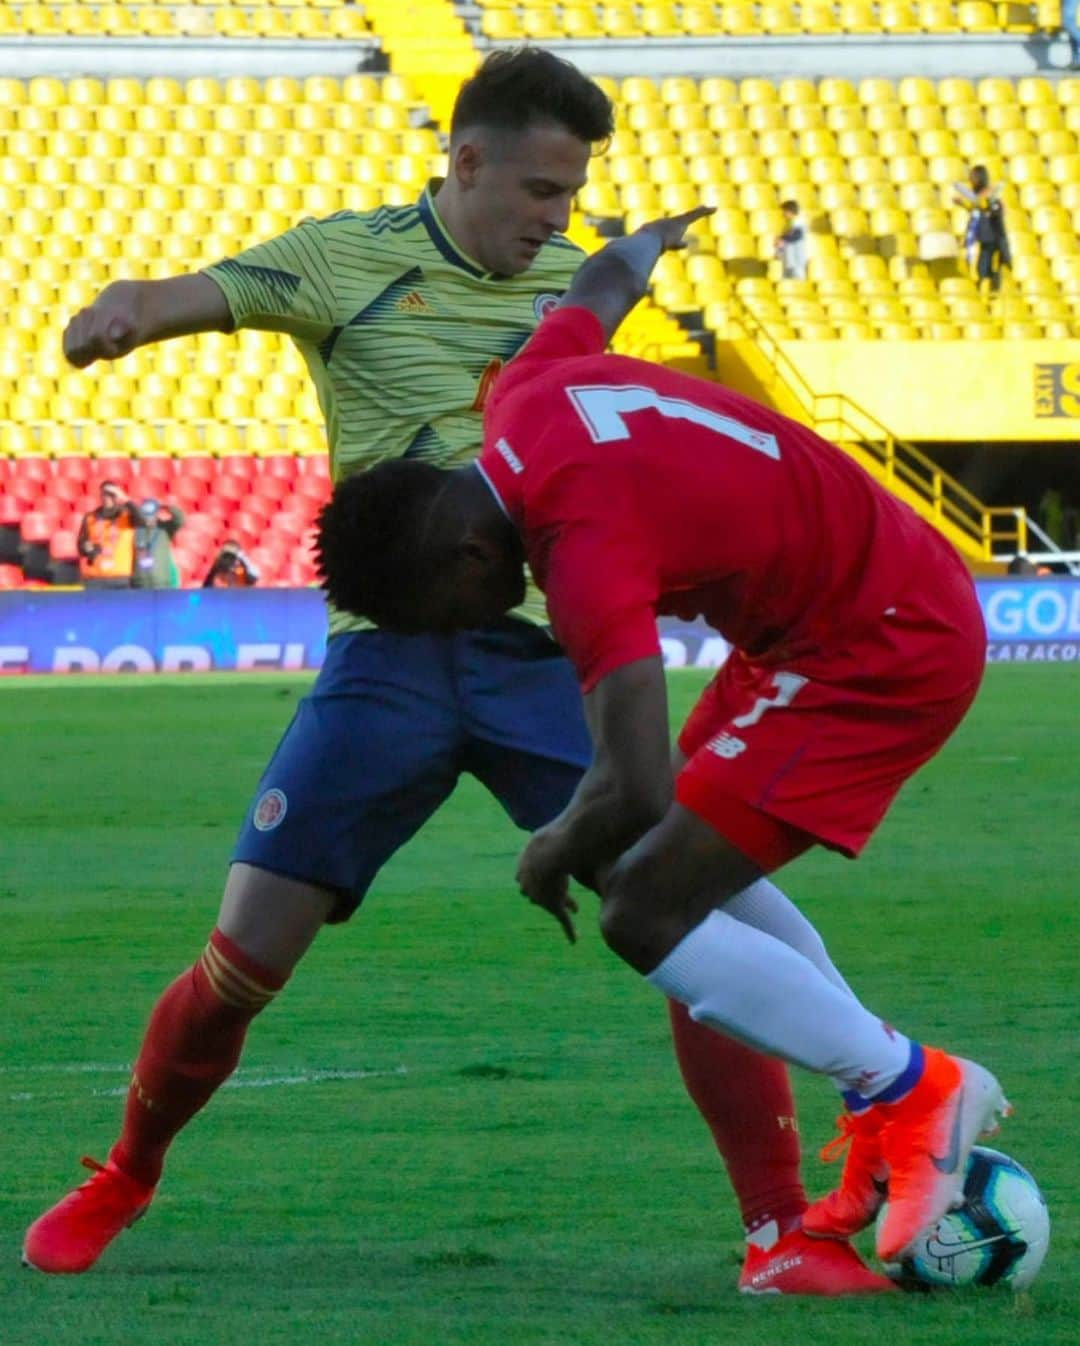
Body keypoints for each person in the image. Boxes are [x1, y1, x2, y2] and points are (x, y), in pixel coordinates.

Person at [25, 54, 881, 1295]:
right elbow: (189, 293)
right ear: (466, 162)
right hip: (390, 659)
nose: (557, 215)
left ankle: (779, 1231)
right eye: (541, 187)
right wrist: (123, 315)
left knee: (677, 905)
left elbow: (607, 317)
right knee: (244, 957)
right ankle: (128, 1167)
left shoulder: (569, 293)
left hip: (548, 653)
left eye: (574, 193)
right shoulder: (346, 258)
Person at [314, 215, 1012, 1269]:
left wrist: (545, 850)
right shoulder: (524, 394)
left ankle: (917, 1088)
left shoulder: (579, 550)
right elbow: (601, 284)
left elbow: (633, 783)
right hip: (820, 618)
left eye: (449, 608)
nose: (473, 623)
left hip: (875, 643)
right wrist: (654, 239)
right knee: (691, 885)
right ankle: (884, 1102)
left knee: (642, 906)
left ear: (465, 547)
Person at [953, 166, 1009, 294]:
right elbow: (975, 209)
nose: (971, 180)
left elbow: (999, 210)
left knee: (985, 268)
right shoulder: (978, 197)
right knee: (978, 267)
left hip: (990, 238)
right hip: (981, 237)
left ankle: (989, 290)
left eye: (973, 177)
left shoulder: (990, 196)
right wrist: (962, 203)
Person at [76, 480, 138, 588]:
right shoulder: (90, 517)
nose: (107, 497)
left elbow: (142, 519)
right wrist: (86, 547)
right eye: (104, 494)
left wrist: (125, 499)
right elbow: (81, 545)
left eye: (111, 494)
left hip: (120, 578)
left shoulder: (127, 516)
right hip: (95, 577)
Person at [130, 498, 184, 590]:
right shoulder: (135, 530)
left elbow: (179, 520)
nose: (147, 519)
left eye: (150, 515)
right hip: (140, 584)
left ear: (156, 514)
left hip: (161, 583)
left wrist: (166, 507)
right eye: (145, 515)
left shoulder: (165, 529)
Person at [773, 200, 808, 280]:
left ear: (790, 211)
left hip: (797, 261)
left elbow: (797, 235)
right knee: (786, 287)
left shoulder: (799, 221)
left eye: (784, 211)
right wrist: (778, 251)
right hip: (787, 261)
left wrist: (781, 238)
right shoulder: (786, 225)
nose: (783, 214)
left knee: (799, 285)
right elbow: (783, 241)